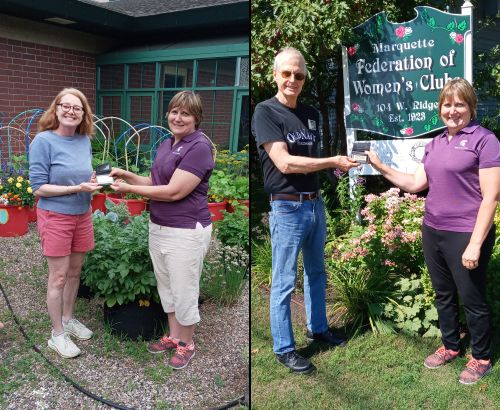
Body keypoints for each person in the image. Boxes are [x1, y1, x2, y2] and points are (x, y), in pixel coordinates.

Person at [366, 78, 500, 385]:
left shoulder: (485, 140)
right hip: (433, 230)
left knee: (471, 297)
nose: (453, 111)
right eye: (447, 105)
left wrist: (475, 244)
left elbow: (491, 197)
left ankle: (481, 357)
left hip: (467, 232)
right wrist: (381, 166)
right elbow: (415, 184)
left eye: (459, 104)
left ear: (471, 107)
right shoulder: (436, 143)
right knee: (443, 294)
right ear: (440, 108)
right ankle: (451, 345)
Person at [251, 47, 360, 374]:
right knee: (284, 280)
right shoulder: (265, 112)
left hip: (314, 204)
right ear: (275, 75)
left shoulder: (310, 113)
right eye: (286, 73)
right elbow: (284, 162)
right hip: (286, 208)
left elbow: (310, 162)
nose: (292, 80)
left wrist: (337, 168)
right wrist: (331, 161)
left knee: (316, 272)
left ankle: (318, 328)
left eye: (298, 75)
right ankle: (284, 348)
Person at [108, 90, 214, 370]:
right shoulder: (168, 143)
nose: (178, 117)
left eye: (185, 113)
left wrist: (129, 189)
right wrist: (127, 175)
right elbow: (155, 180)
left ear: (196, 118)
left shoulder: (199, 147)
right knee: (166, 286)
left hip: (185, 230)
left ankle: (187, 344)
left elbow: (173, 191)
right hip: (160, 226)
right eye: (174, 111)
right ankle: (173, 336)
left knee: (184, 289)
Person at [29, 88, 102, 358]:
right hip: (55, 216)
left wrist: (91, 182)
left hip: (82, 214)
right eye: (66, 106)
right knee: (58, 277)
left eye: (77, 107)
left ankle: (69, 319)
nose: (71, 111)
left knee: (74, 272)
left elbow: (81, 174)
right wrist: (75, 188)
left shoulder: (84, 140)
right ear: (56, 109)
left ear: (84, 114)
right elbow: (38, 188)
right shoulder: (43, 141)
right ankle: (57, 334)